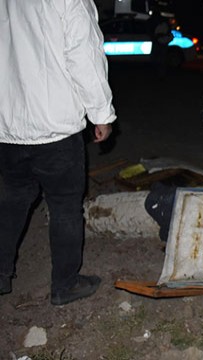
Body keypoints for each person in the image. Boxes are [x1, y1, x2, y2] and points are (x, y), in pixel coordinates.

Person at [0, 0, 116, 305]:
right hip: (55, 128)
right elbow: (84, 57)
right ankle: (65, 285)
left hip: (9, 127)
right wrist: (101, 113)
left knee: (13, 199)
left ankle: (0, 273)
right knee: (64, 206)